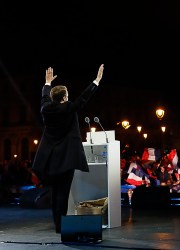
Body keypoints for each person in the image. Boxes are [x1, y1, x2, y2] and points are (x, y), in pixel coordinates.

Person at [32, 64, 104, 233]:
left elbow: (44, 97)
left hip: (50, 159)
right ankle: (60, 226)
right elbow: (84, 98)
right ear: (64, 97)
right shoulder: (69, 108)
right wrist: (97, 80)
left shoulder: (46, 109)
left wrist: (47, 83)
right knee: (62, 193)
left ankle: (58, 222)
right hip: (66, 159)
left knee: (56, 191)